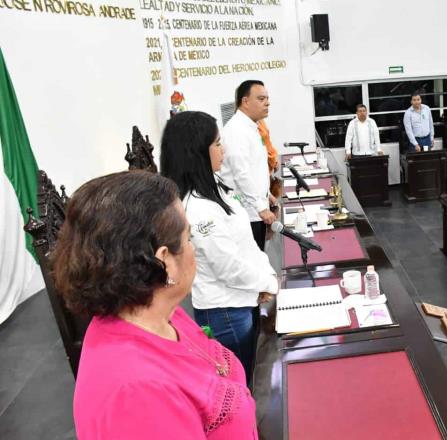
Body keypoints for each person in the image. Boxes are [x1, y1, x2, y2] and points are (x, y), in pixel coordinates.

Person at [52, 171, 260, 439]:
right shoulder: (137, 391)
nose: (193, 249)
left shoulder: (161, 313)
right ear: (163, 260)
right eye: (188, 239)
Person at [160, 110, 278, 384]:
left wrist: (262, 280)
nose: (222, 150)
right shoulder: (198, 208)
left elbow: (245, 246)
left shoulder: (214, 187)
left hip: (240, 299)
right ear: (197, 152)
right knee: (241, 383)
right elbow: (227, 266)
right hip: (225, 311)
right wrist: (268, 283)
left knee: (250, 373)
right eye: (216, 144)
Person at [220, 80, 275, 251]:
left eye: (267, 98)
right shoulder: (236, 130)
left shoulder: (251, 127)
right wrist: (261, 207)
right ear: (245, 101)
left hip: (255, 207)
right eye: (261, 98)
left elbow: (255, 167)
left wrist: (267, 195)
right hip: (247, 212)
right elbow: (241, 173)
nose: (267, 103)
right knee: (254, 261)